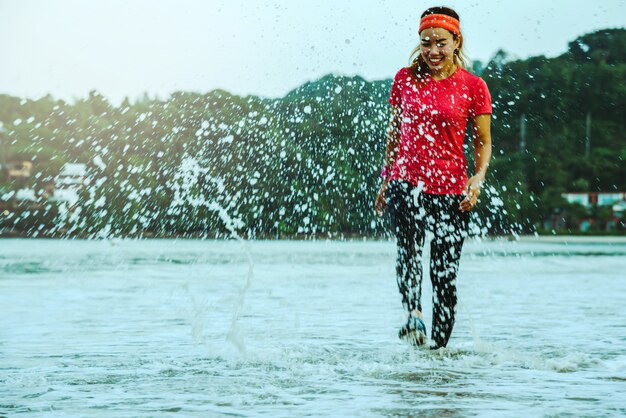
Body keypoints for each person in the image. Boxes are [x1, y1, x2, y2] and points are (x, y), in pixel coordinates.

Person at [374, 6, 492, 349]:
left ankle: (438, 355)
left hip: (453, 189)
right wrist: (386, 178)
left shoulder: (473, 86)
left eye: (440, 42)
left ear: (456, 41)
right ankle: (413, 313)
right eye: (425, 43)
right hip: (407, 182)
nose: (432, 51)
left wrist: (478, 177)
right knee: (407, 250)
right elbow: (394, 135)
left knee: (444, 276)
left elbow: (483, 141)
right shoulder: (405, 79)